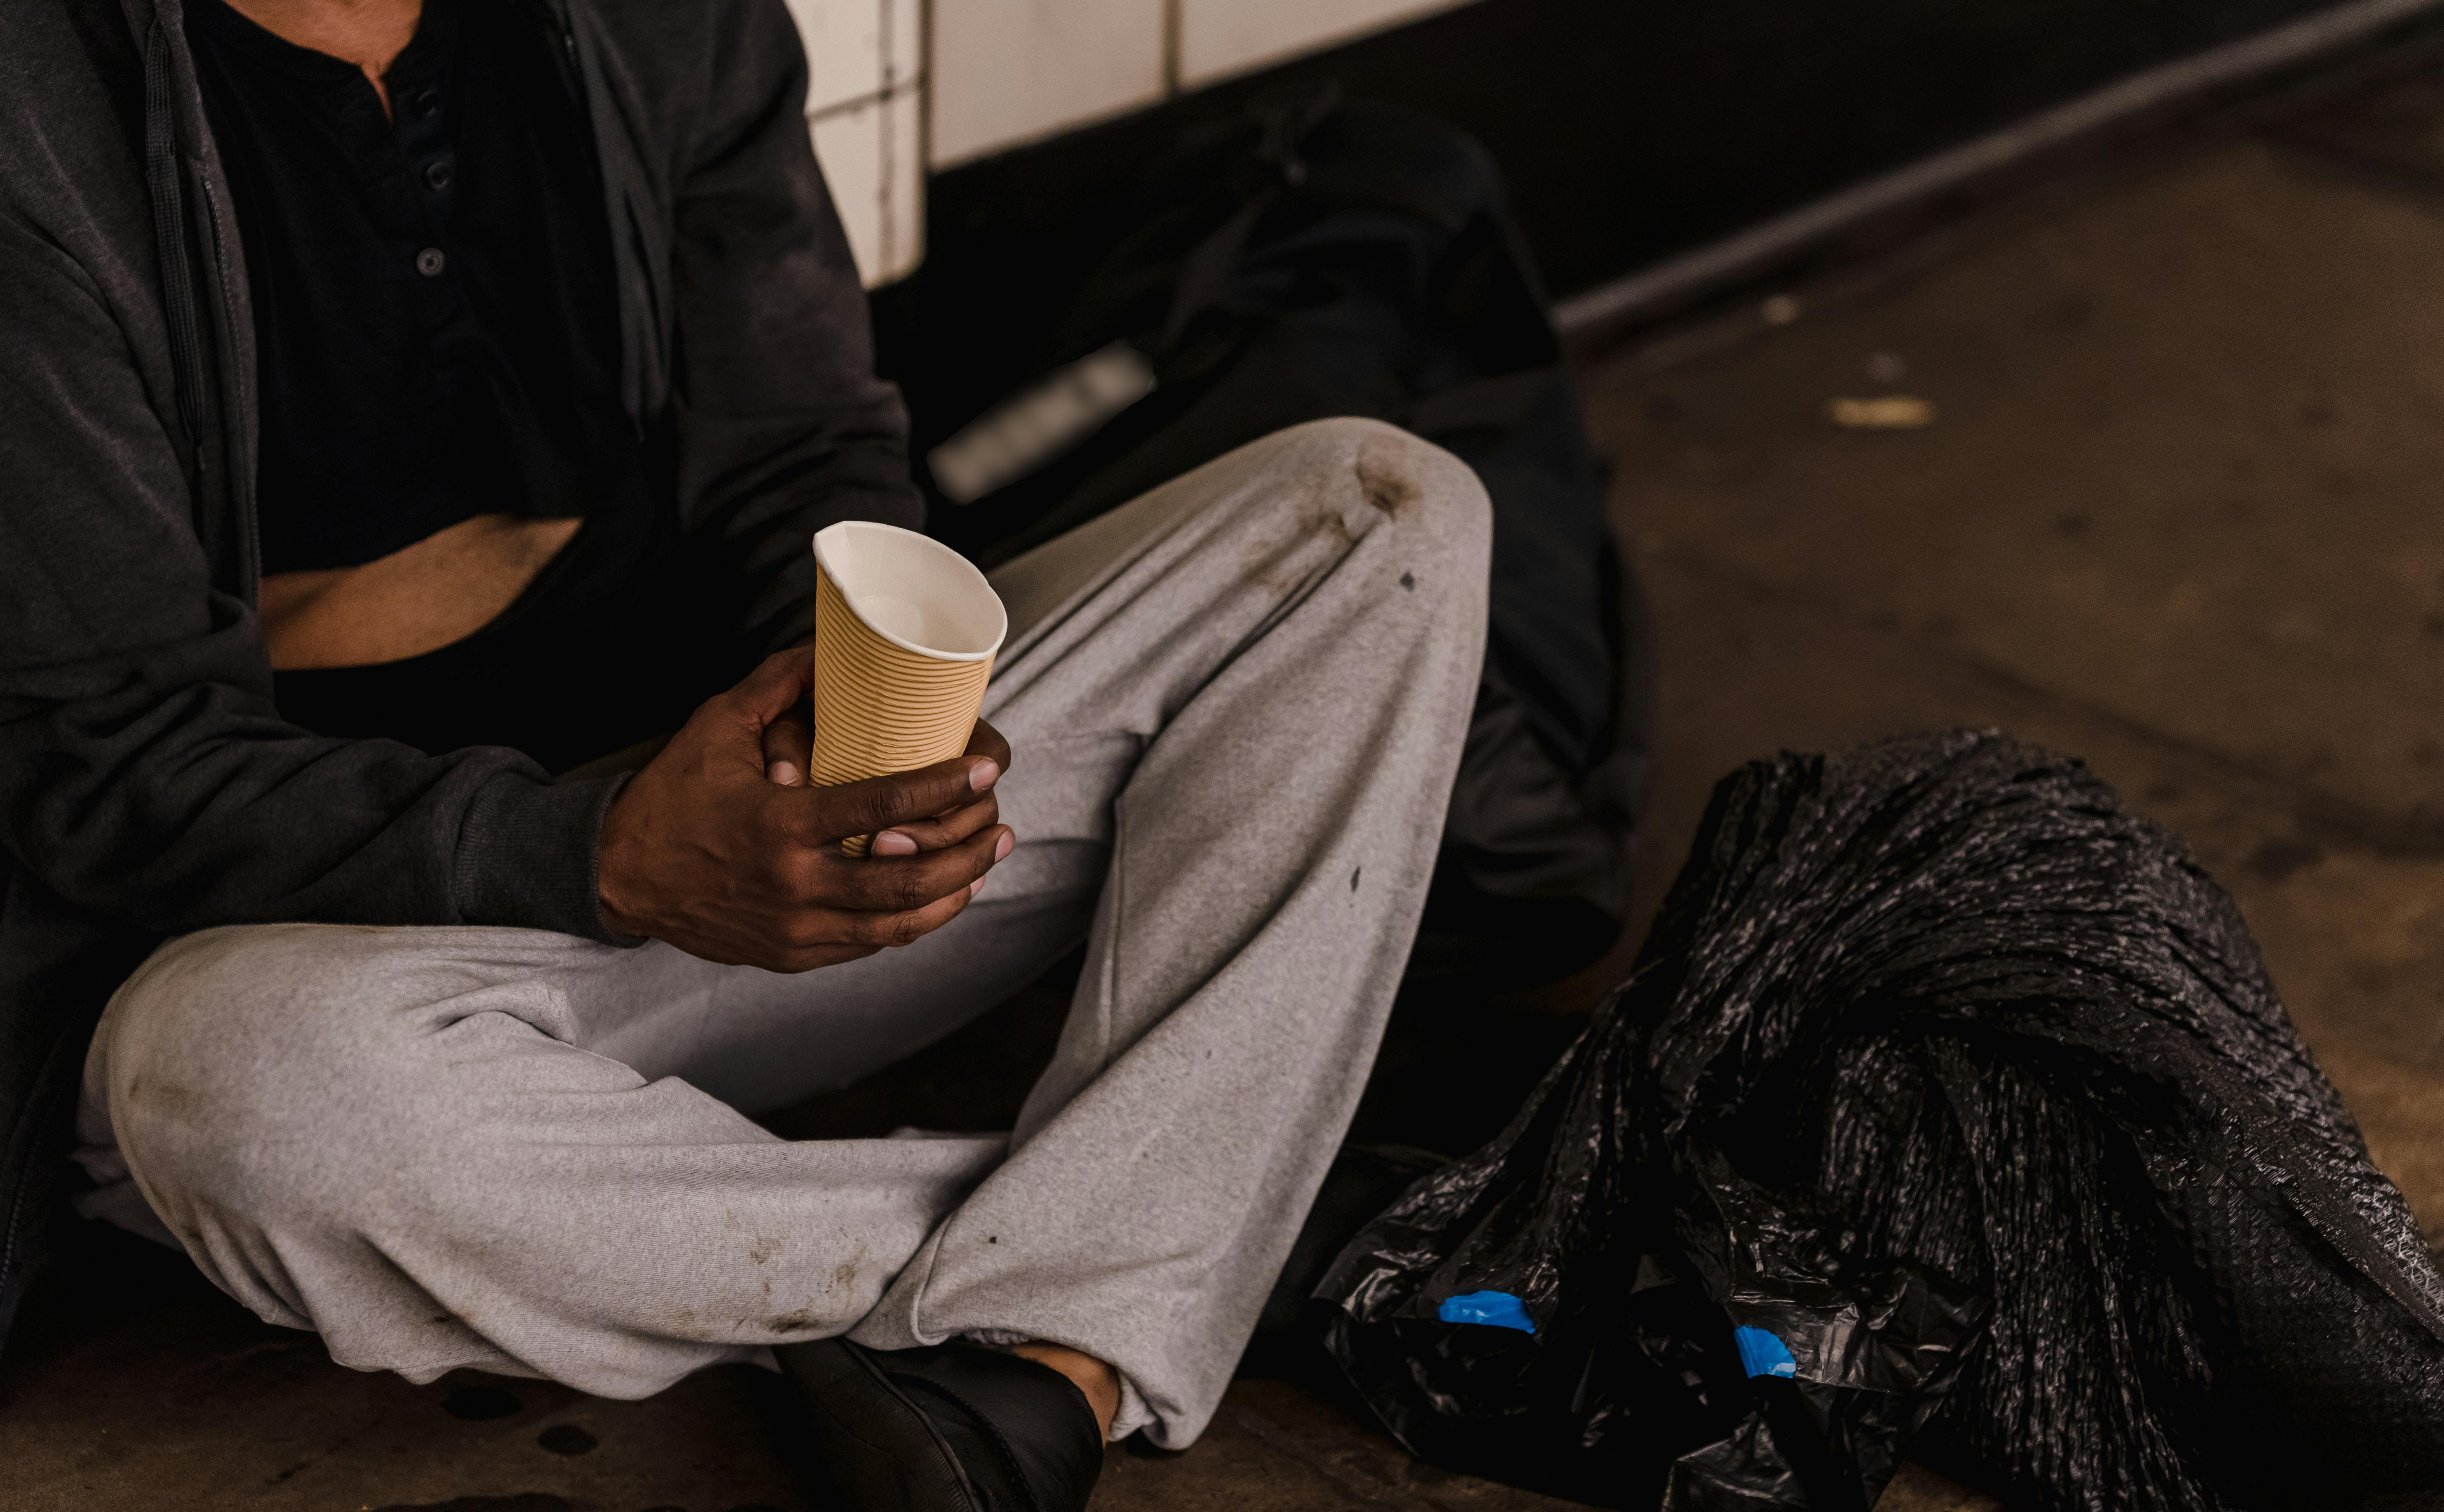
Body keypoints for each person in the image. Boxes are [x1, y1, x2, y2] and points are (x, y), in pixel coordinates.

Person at [0, 0, 1492, 1507]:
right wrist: (601, 852)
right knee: (244, 1098)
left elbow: (799, 445)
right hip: (338, 958)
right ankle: (1230, 1230)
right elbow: (110, 760)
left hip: (734, 829)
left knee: (1376, 515)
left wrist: (865, 741)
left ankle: (1158, 1230)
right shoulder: (32, 104)